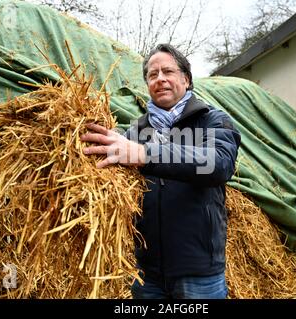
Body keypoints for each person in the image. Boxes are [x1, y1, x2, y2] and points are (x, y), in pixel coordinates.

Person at [81, 44, 241, 299]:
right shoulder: (135, 131)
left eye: (168, 71)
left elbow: (218, 164)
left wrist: (144, 154)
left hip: (197, 272)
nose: (160, 79)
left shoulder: (211, 120)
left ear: (186, 80)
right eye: (152, 75)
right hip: (147, 273)